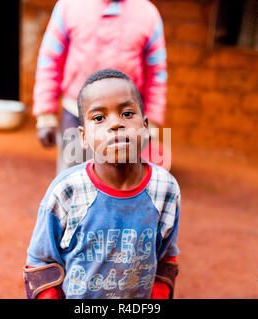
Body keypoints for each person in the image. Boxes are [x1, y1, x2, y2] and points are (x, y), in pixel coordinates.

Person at [24, 69, 180, 299]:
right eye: (99, 118)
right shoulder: (67, 192)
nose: (116, 124)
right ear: (83, 136)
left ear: (145, 126)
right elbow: (40, 265)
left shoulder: (165, 189)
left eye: (127, 113)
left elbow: (166, 260)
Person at [33, 0, 168, 173]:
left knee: (121, 181)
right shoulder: (68, 6)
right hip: (75, 115)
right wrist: (45, 116)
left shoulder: (148, 14)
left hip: (126, 120)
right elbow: (49, 59)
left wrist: (152, 124)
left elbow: (157, 72)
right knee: (73, 177)